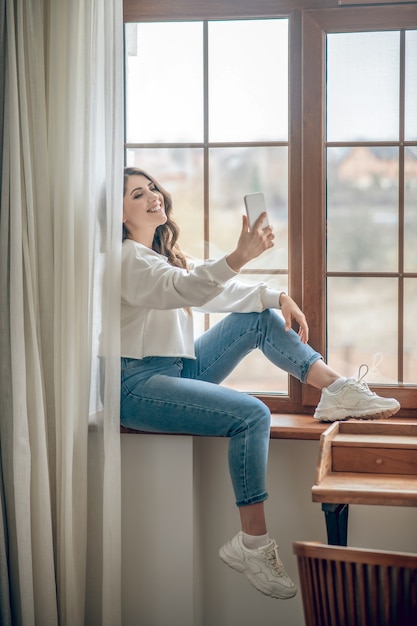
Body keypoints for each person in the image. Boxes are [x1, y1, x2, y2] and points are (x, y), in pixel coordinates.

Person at [120, 166, 400, 600]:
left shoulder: (160, 256)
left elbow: (215, 291)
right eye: (138, 194)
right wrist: (239, 255)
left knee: (258, 316)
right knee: (253, 414)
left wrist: (276, 296)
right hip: (136, 385)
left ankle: (334, 389)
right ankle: (251, 544)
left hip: (176, 369)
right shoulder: (125, 260)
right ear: (119, 215)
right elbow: (186, 288)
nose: (153, 195)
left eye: (152, 187)